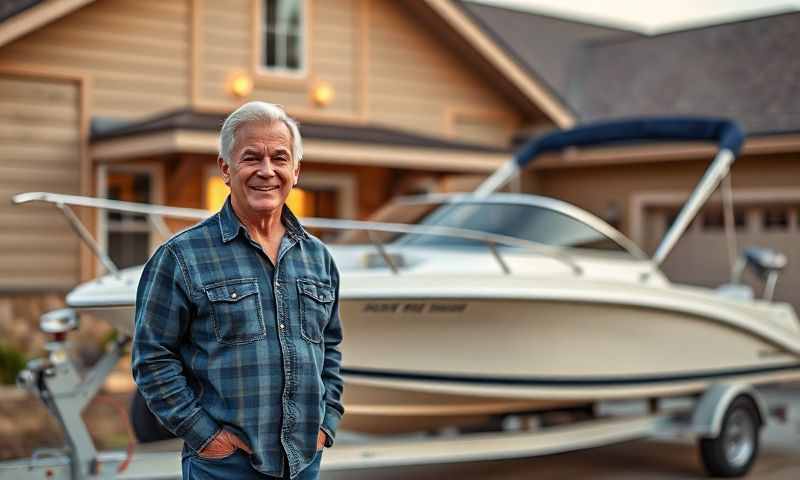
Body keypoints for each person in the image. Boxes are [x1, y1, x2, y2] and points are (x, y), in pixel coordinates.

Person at [132, 101, 344, 480]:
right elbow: (152, 358)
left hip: (302, 463)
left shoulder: (319, 258)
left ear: (295, 171)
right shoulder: (180, 256)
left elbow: (330, 350)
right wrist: (206, 437)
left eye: (280, 158)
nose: (267, 170)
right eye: (251, 158)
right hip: (223, 467)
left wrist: (325, 423)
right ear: (225, 169)